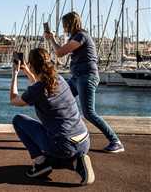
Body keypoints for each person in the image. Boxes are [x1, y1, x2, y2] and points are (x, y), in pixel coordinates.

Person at [10, 48, 95, 185]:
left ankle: (40, 164)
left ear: (32, 65)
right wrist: (27, 71)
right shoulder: (59, 79)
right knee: (56, 153)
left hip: (63, 145)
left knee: (18, 120)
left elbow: (14, 100)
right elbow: (39, 85)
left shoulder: (37, 90)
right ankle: (77, 163)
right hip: (84, 140)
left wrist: (14, 74)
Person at [44, 11, 124, 153]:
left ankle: (115, 141)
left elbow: (60, 52)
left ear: (69, 24)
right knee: (57, 99)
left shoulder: (81, 36)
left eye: (64, 25)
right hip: (77, 77)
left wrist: (51, 39)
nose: (64, 28)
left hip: (86, 77)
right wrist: (52, 40)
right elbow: (60, 52)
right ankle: (57, 133)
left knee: (89, 113)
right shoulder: (76, 37)